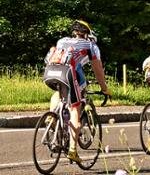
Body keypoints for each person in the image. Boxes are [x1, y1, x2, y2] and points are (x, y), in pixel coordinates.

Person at [43, 21, 110, 163]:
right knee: (75, 109)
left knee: (60, 93)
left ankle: (52, 116)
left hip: (50, 72)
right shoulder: (91, 46)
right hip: (67, 73)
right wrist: (104, 89)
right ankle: (73, 150)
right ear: (87, 34)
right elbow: (98, 71)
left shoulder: (62, 41)